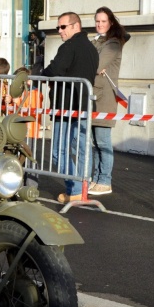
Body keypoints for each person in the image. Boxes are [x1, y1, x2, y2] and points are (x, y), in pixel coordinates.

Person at [41, 12, 99, 203]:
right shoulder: (91, 48)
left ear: (75, 26)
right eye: (58, 27)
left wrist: (43, 72)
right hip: (83, 106)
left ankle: (74, 189)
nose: (59, 31)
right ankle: (81, 189)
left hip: (67, 107)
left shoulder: (69, 46)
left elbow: (55, 69)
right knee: (82, 149)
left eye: (63, 27)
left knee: (59, 151)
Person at [89, 6, 129, 197]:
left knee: (103, 141)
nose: (99, 24)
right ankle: (96, 179)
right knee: (94, 143)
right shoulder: (96, 41)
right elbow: (87, 62)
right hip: (92, 96)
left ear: (110, 22)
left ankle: (105, 180)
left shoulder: (112, 43)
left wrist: (95, 65)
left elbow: (95, 65)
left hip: (104, 98)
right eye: (97, 21)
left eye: (103, 21)